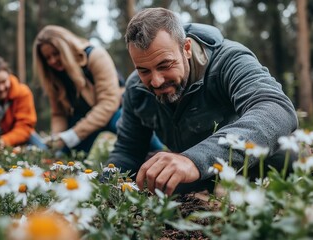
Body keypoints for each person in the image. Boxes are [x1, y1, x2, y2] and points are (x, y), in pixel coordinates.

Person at [106, 8, 298, 196]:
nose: (156, 81)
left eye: (165, 65)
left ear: (186, 49)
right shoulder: (135, 88)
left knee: (286, 159)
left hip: (253, 169)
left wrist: (194, 160)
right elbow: (128, 151)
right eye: (144, 71)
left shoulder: (229, 61)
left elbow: (275, 108)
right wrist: (100, 188)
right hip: (196, 178)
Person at [32, 25, 164, 155]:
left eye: (56, 54)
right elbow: (58, 114)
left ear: (66, 48)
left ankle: (159, 152)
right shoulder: (53, 76)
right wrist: (59, 139)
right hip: (83, 120)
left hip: (114, 110)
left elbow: (108, 103)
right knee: (65, 157)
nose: (53, 61)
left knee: (129, 127)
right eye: (47, 58)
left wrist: (74, 134)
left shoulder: (95, 56)